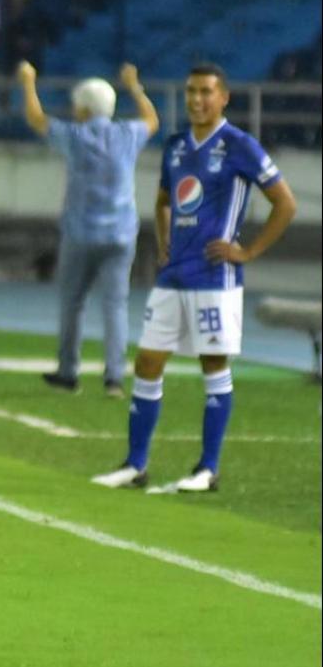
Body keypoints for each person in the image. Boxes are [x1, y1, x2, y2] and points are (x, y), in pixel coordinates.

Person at [91, 63, 297, 492]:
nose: (197, 100)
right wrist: (165, 241)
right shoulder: (176, 146)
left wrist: (248, 251)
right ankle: (135, 464)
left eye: (205, 92)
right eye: (190, 92)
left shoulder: (239, 145)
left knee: (213, 365)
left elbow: (285, 203)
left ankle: (207, 469)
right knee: (148, 360)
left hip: (214, 277)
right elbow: (164, 199)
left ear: (223, 98)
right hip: (174, 275)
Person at [18, 60, 159, 398]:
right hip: (121, 232)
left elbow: (36, 119)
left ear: (82, 108)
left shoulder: (76, 136)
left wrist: (28, 82)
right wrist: (135, 86)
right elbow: (153, 120)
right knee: (116, 305)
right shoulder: (127, 135)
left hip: (81, 233)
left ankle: (69, 371)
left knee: (72, 302)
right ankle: (114, 377)